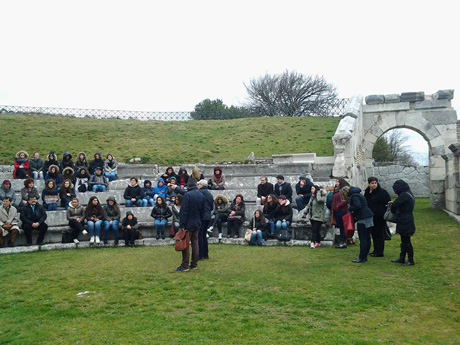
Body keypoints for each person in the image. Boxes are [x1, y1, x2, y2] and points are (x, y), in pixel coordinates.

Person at [176, 179, 205, 272]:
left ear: (188, 186)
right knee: (195, 243)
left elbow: (184, 211)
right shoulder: (201, 195)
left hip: (188, 223)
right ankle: (194, 264)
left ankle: (185, 265)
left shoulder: (187, 195)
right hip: (197, 222)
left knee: (186, 244)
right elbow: (203, 210)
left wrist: (182, 224)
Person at [389, 180, 416, 266]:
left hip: (404, 219)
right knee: (404, 240)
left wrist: (394, 207)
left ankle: (410, 260)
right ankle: (402, 258)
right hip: (408, 218)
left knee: (406, 241)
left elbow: (394, 206)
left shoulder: (403, 195)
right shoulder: (409, 193)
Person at [364, 177, 391, 257]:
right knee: (374, 234)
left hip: (379, 217)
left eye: (375, 183)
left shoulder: (382, 192)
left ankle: (379, 251)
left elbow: (387, 203)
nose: (374, 185)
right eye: (372, 183)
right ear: (369, 184)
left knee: (379, 234)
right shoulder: (367, 192)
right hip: (371, 216)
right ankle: (375, 250)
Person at [348, 186, 374, 263]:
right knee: (367, 238)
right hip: (369, 216)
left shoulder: (354, 196)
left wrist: (349, 208)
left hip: (363, 218)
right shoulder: (360, 195)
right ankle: (364, 256)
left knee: (363, 239)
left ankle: (362, 257)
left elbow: (358, 206)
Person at [197, 179, 213, 260]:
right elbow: (211, 207)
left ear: (201, 185)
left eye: (198, 184)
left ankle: (201, 254)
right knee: (203, 235)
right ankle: (206, 254)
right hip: (207, 216)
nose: (197, 186)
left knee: (200, 235)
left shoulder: (199, 193)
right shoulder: (209, 194)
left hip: (201, 216)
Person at [332, 178, 351, 249]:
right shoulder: (336, 190)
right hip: (337, 211)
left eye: (338, 181)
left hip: (343, 210)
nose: (336, 183)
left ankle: (343, 241)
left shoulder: (344, 189)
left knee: (343, 227)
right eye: (336, 181)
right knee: (341, 227)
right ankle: (342, 241)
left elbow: (346, 199)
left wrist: (339, 205)